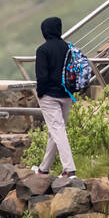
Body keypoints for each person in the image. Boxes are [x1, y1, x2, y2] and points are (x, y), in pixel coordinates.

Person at [33, 16, 77, 176]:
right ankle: (44, 169)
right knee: (56, 131)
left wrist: (40, 93)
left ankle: (69, 169)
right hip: (67, 95)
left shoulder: (43, 50)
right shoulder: (68, 48)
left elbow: (42, 77)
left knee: (58, 130)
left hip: (49, 96)